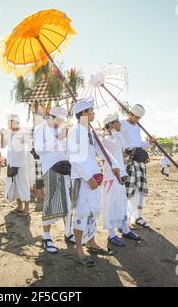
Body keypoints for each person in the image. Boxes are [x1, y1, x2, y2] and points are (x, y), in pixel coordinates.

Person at [67, 97, 112, 267]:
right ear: (84, 113)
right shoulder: (75, 131)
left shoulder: (90, 131)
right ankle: (79, 250)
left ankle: (91, 242)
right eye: (91, 111)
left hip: (94, 177)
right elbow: (73, 159)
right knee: (81, 213)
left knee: (93, 211)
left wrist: (113, 165)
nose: (94, 113)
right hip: (82, 178)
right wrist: (88, 177)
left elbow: (100, 152)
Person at [34, 107, 74, 253]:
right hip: (50, 169)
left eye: (61, 120)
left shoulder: (62, 129)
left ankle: (68, 233)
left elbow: (68, 150)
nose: (59, 122)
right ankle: (46, 238)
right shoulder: (40, 129)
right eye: (57, 119)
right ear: (50, 117)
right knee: (50, 202)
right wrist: (58, 139)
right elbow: (38, 150)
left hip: (66, 168)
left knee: (69, 203)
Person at [101, 113, 140, 249]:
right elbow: (119, 143)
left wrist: (118, 131)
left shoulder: (114, 136)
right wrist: (116, 132)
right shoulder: (106, 139)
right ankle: (111, 234)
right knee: (111, 204)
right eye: (117, 122)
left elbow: (122, 146)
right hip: (111, 176)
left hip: (120, 175)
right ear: (111, 125)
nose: (120, 123)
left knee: (122, 203)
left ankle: (125, 229)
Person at [120, 104, 156, 228]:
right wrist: (122, 151)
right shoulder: (121, 124)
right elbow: (116, 140)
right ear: (130, 114)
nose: (137, 120)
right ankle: (123, 218)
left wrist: (149, 143)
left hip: (140, 161)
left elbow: (139, 143)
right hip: (128, 162)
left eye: (139, 118)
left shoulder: (137, 128)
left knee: (140, 189)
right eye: (136, 117)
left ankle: (138, 216)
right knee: (127, 190)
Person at [1, 114, 31, 216]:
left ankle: (27, 208)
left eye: (9, 121)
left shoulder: (23, 132)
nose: (8, 123)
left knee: (23, 184)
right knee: (14, 184)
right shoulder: (8, 133)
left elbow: (29, 145)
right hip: (11, 162)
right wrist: (1, 135)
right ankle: (19, 206)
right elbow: (2, 145)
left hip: (21, 162)